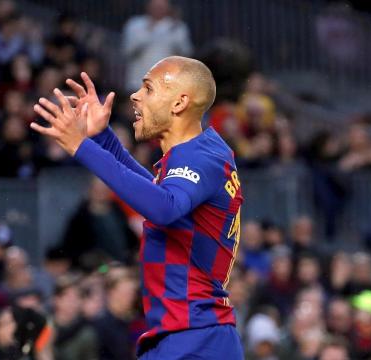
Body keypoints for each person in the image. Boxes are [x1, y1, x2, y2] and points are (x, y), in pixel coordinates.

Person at [30, 55, 244, 359]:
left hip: (195, 341)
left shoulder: (198, 158)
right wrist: (101, 138)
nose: (135, 95)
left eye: (148, 88)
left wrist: (81, 145)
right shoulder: (202, 151)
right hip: (187, 335)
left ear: (179, 103)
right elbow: (155, 196)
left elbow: (163, 207)